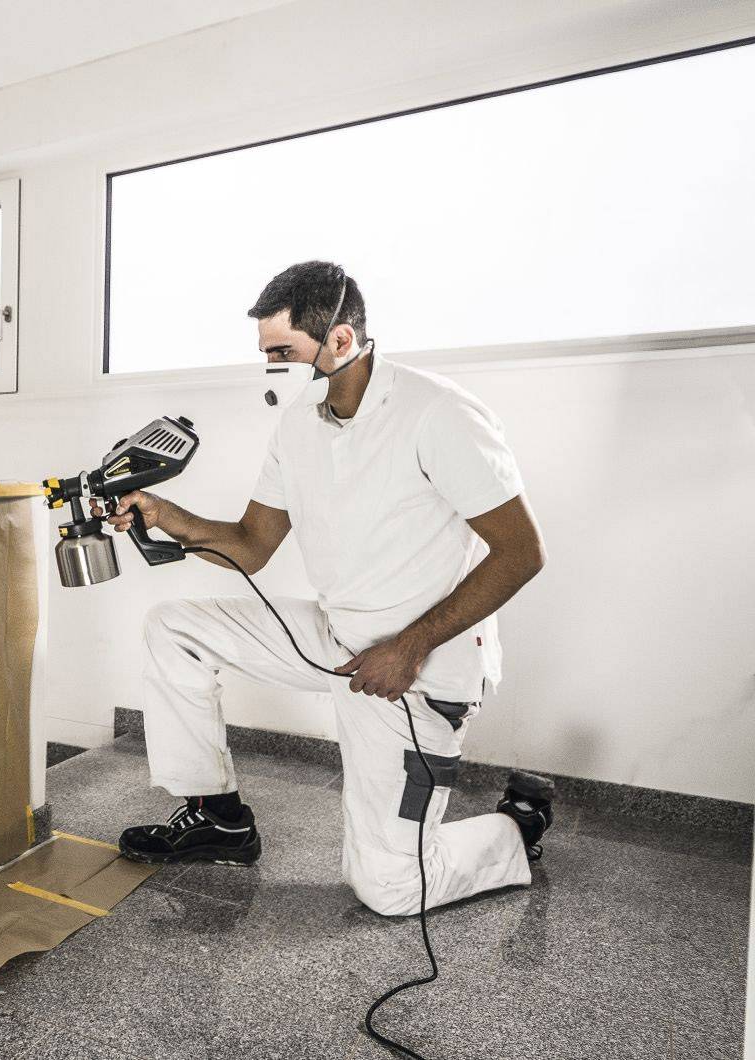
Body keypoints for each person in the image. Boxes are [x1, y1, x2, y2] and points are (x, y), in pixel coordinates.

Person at [97, 261, 554, 917]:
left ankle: (519, 823)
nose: (273, 369)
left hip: (419, 667)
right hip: (338, 637)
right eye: (266, 355)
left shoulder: (438, 413)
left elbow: (522, 552)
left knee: (392, 889)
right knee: (175, 627)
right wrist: (164, 514)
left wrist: (408, 648)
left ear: (341, 341)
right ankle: (218, 818)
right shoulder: (300, 423)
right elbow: (253, 547)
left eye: (283, 353)